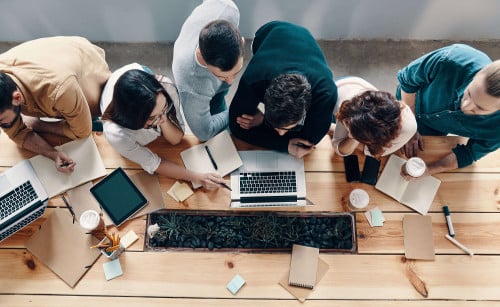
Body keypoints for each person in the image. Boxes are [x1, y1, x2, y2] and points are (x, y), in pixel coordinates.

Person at [100, 63, 225, 190]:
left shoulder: (166, 88)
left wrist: (161, 115)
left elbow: (176, 139)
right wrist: (198, 177)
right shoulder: (116, 133)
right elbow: (155, 163)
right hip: (121, 98)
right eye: (153, 117)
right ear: (135, 119)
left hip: (139, 73)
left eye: (165, 108)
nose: (164, 118)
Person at [0, 36, 110, 173]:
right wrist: (53, 154)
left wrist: (38, 125)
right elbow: (16, 132)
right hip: (55, 57)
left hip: (88, 67)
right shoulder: (5, 88)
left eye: (1, 122)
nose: (2, 128)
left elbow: (82, 132)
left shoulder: (58, 90)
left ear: (17, 98)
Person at [229, 21, 337, 158]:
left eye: (285, 128)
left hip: (304, 39)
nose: (280, 133)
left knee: (325, 118)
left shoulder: (326, 93)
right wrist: (284, 145)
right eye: (275, 126)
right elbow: (235, 126)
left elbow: (309, 141)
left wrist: (263, 124)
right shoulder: (254, 79)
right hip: (270, 33)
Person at [397, 44, 500, 176]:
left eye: (479, 108)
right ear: (480, 72)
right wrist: (410, 123)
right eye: (469, 93)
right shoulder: (451, 59)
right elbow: (408, 81)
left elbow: (469, 153)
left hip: (437, 128)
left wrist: (430, 169)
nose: (466, 106)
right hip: (408, 101)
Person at [172, 0, 244, 141]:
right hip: (196, 84)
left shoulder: (228, 9)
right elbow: (204, 133)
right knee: (223, 136)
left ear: (241, 41)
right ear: (202, 58)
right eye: (221, 76)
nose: (231, 82)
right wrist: (239, 109)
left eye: (236, 73)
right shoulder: (192, 88)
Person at [332, 76, 417, 158]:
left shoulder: (409, 124)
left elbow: (377, 152)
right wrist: (353, 137)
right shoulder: (349, 112)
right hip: (336, 91)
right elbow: (340, 149)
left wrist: (354, 137)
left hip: (354, 85)